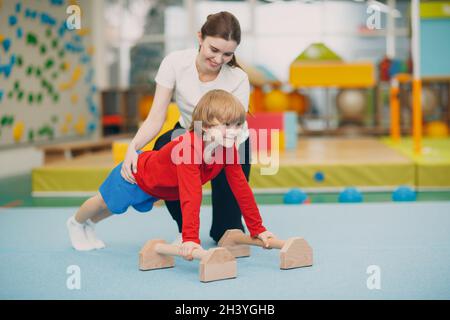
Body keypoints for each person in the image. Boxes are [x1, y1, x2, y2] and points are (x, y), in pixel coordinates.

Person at [67, 90, 275, 260]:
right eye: (227, 125)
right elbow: (191, 194)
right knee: (103, 203)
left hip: (159, 190)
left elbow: (241, 188)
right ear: (207, 126)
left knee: (116, 208)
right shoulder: (189, 148)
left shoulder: (227, 149)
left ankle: (90, 225)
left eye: (238, 125)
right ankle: (76, 222)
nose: (235, 131)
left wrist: (257, 228)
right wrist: (190, 238)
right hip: (137, 176)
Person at [121, 11, 252, 244]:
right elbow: (155, 117)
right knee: (165, 146)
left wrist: (214, 152)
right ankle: (186, 231)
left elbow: (235, 128)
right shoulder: (174, 63)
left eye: (228, 54)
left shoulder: (238, 77)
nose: (219, 59)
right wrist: (133, 147)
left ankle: (226, 226)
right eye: (214, 50)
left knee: (226, 232)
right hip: (189, 136)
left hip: (229, 141)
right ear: (200, 38)